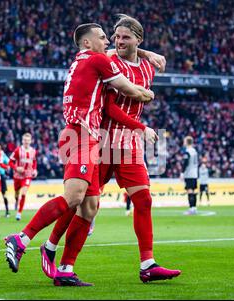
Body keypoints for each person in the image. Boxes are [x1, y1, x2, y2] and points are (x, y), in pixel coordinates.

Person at [4, 22, 158, 286]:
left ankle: (64, 270)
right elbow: (129, 90)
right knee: (73, 197)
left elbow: (124, 55)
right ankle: (22, 238)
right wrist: (147, 94)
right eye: (102, 37)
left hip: (85, 136)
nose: (108, 40)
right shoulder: (97, 60)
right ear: (87, 43)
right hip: (81, 135)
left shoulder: (83, 61)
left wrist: (145, 55)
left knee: (89, 206)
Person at [40, 15, 180, 284]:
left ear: (138, 39)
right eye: (115, 37)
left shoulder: (148, 67)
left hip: (128, 147)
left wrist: (148, 53)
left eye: (125, 37)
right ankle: (53, 249)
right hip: (102, 142)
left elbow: (140, 59)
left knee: (144, 200)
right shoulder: (109, 61)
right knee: (80, 201)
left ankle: (148, 264)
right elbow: (110, 107)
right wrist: (141, 127)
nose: (118, 41)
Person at [8, 133, 37, 221]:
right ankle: (17, 200)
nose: (26, 142)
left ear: (30, 141)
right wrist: (16, 168)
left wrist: (35, 170)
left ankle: (19, 213)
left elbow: (34, 161)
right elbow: (10, 162)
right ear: (22, 141)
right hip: (17, 176)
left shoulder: (33, 151)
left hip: (27, 176)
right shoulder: (17, 150)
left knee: (23, 193)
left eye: (28, 140)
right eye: (24, 140)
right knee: (17, 194)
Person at [181, 136, 199, 215]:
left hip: (189, 174)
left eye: (184, 141)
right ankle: (194, 207)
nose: (183, 142)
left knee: (190, 191)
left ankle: (191, 208)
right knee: (193, 191)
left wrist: (182, 173)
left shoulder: (187, 151)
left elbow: (185, 163)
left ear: (187, 142)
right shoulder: (195, 151)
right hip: (195, 174)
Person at [0, 143, 11, 218]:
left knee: (4, 193)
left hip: (1, 176)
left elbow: (9, 162)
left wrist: (7, 167)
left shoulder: (2, 154)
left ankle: (7, 211)